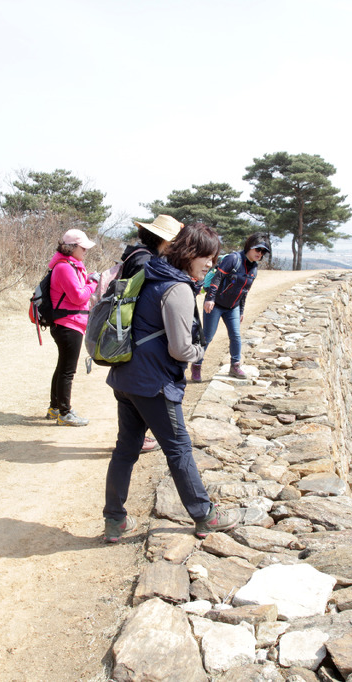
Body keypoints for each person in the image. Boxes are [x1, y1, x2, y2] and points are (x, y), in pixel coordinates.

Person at [102, 222, 243, 543]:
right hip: (153, 383)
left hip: (126, 375)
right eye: (206, 257)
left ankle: (115, 520)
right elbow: (180, 349)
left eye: (214, 257)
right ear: (189, 253)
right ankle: (204, 514)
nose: (211, 264)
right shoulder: (177, 288)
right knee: (178, 448)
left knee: (125, 449)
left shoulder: (151, 273)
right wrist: (199, 350)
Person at [119, 214, 184, 453]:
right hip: (137, 333)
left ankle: (135, 437)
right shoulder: (146, 261)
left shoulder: (136, 254)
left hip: (128, 330)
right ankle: (137, 438)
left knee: (130, 389)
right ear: (164, 241)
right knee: (138, 388)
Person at [193, 233, 270, 381]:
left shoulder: (254, 269)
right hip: (215, 304)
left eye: (263, 252)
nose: (259, 254)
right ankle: (197, 366)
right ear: (249, 247)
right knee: (207, 337)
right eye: (257, 249)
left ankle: (235, 366)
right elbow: (217, 277)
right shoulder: (233, 259)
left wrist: (241, 310)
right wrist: (210, 298)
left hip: (233, 307)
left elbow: (244, 292)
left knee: (235, 336)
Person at [45, 228, 99, 427]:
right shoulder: (65, 267)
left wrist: (89, 278)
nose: (86, 251)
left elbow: (76, 289)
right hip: (68, 324)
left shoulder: (70, 265)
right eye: (83, 247)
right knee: (68, 371)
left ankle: (55, 408)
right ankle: (65, 413)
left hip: (68, 323)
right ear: (72, 247)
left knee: (62, 368)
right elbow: (78, 296)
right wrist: (92, 284)